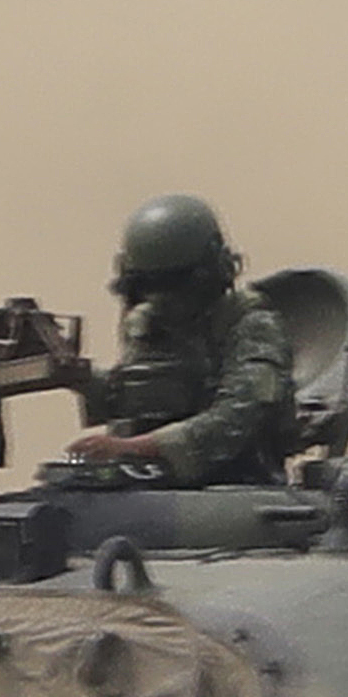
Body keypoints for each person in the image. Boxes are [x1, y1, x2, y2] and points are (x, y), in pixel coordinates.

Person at [57, 192, 294, 487]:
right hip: (148, 481)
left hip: (235, 484)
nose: (162, 300)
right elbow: (134, 401)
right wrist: (75, 374)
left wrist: (133, 448)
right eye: (150, 286)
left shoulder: (253, 327)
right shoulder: (145, 322)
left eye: (175, 286)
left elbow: (235, 419)